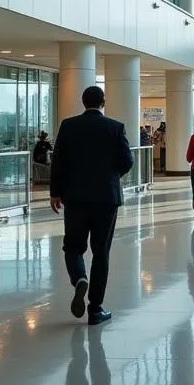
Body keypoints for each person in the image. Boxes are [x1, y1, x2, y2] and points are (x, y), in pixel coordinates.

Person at [50, 86, 133, 325]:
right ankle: (95, 309)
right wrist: (111, 175)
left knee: (73, 246)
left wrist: (56, 192)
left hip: (75, 197)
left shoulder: (68, 126)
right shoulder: (116, 128)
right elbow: (127, 162)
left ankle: (79, 279)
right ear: (103, 102)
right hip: (106, 198)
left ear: (83, 101)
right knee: (100, 251)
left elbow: (58, 161)